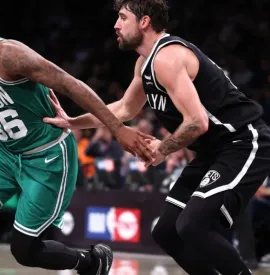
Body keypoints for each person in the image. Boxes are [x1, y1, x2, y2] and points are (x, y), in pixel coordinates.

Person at [0, 0, 158, 274]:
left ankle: (90, 262)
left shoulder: (7, 55)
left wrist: (118, 128)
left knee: (24, 250)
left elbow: (70, 84)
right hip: (5, 154)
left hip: (48, 154)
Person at [44, 1, 270, 274]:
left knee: (193, 225)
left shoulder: (167, 58)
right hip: (212, 152)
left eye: (122, 18)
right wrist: (72, 122)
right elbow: (124, 108)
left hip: (243, 142)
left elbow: (197, 122)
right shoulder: (145, 63)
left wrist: (163, 148)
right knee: (166, 232)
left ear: (144, 22)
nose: (116, 25)